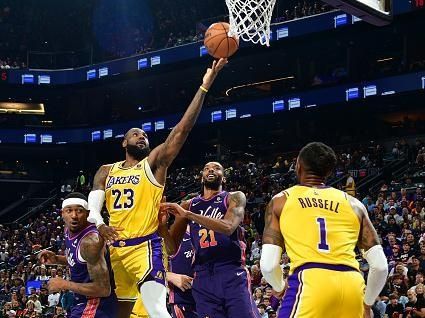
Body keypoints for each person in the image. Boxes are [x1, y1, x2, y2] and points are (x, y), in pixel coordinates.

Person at [87, 59, 227, 318]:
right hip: (116, 251)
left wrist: (204, 87)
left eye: (145, 135)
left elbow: (180, 132)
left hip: (146, 248)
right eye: (136, 134)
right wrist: (98, 225)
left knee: (157, 309)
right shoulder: (106, 170)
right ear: (124, 142)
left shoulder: (153, 165)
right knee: (122, 313)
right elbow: (93, 207)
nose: (142, 137)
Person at [259, 142, 388, 318]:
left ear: (298, 165)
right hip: (352, 284)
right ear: (329, 171)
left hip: (311, 281)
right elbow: (380, 267)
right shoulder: (354, 204)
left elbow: (268, 265)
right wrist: (367, 303)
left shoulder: (281, 200)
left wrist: (280, 287)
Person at [160, 161, 260, 318]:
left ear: (224, 178)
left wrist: (189, 215)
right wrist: (162, 227)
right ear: (201, 178)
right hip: (203, 276)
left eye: (216, 168)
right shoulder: (189, 205)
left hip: (231, 271)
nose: (211, 170)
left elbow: (228, 227)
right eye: (206, 168)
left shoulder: (234, 197)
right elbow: (171, 249)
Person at [38, 192, 117, 318]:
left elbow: (103, 289)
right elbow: (81, 261)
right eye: (69, 211)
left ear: (87, 214)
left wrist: (65, 284)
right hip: (80, 302)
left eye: (79, 211)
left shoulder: (90, 242)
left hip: (96, 304)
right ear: (62, 214)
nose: (74, 216)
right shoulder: (68, 229)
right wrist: (57, 259)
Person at [166, 225, 197, 318]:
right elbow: (149, 268)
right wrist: (170, 276)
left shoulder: (216, 232)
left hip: (211, 301)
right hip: (183, 303)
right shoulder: (170, 236)